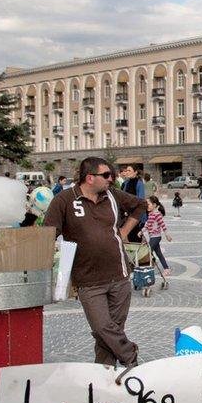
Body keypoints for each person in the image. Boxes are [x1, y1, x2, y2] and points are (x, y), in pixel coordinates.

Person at [43, 157, 146, 366]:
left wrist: (124, 231)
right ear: (90, 178)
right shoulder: (64, 200)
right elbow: (48, 233)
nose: (112, 179)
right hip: (88, 280)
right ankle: (130, 355)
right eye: (106, 175)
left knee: (110, 333)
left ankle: (105, 376)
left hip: (119, 274)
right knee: (102, 328)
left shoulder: (112, 196)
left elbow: (140, 206)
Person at [141, 195, 172, 276]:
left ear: (154, 205)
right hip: (152, 236)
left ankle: (147, 270)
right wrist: (141, 231)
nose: (146, 206)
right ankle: (166, 268)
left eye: (148, 204)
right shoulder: (151, 214)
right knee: (159, 253)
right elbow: (147, 224)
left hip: (156, 237)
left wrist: (167, 235)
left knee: (147, 252)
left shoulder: (157, 214)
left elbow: (163, 225)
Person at [119, 165, 145, 242]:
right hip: (126, 215)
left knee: (136, 238)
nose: (127, 172)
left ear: (135, 172)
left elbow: (141, 200)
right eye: (126, 170)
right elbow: (122, 198)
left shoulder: (139, 183)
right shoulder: (125, 183)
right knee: (128, 237)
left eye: (129, 170)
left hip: (136, 215)